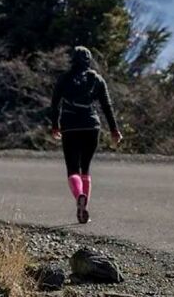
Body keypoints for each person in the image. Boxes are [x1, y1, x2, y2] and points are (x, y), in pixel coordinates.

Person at [50, 46, 122, 224]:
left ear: (72, 60)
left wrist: (55, 125)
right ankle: (85, 206)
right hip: (91, 126)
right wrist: (114, 130)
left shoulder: (64, 79)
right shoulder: (97, 79)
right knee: (86, 168)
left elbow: (54, 104)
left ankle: (79, 196)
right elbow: (107, 106)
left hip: (70, 126)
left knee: (73, 169)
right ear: (89, 60)